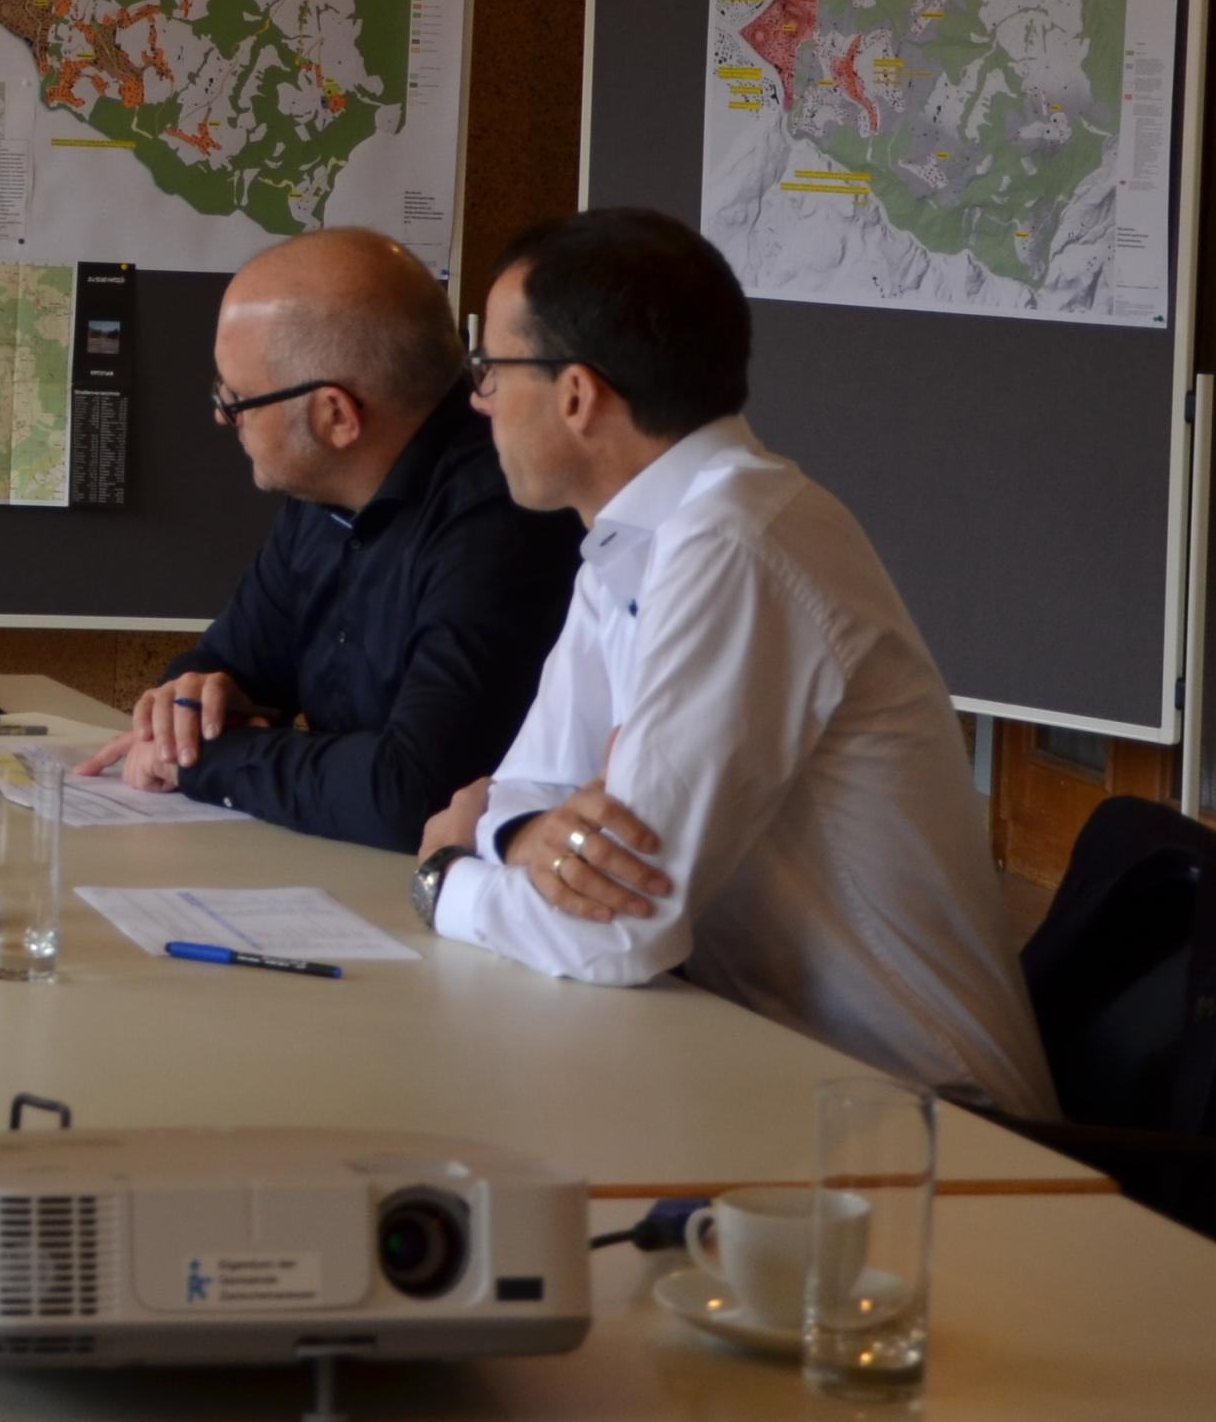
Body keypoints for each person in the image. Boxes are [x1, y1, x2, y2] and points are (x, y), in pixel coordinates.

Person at [405, 208, 1054, 1116]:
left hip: (920, 1120)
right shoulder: (632, 539)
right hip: (760, 1063)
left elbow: (616, 934)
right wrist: (516, 836)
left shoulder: (733, 542)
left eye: (490, 371)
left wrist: (445, 877)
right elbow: (516, 792)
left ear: (577, 395)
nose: (479, 402)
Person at [75, 229, 578, 850]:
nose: (220, 417)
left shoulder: (502, 519)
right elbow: (230, 667)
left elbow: (412, 792)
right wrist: (186, 707)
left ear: (335, 415)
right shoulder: (322, 493)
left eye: (237, 400)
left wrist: (206, 759)